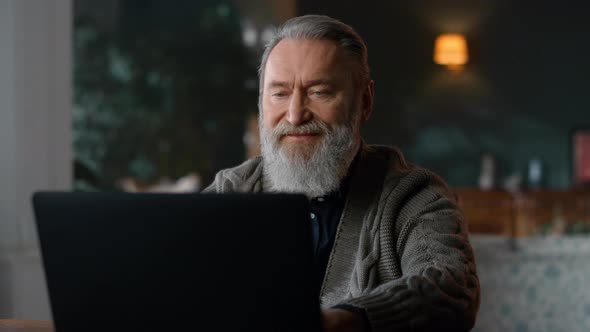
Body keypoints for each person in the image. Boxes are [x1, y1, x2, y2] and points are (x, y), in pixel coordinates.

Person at [203, 14, 480, 332]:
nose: (294, 115)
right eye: (279, 93)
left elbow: (452, 288)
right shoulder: (230, 191)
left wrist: (346, 321)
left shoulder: (415, 196)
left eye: (319, 92)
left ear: (364, 101)